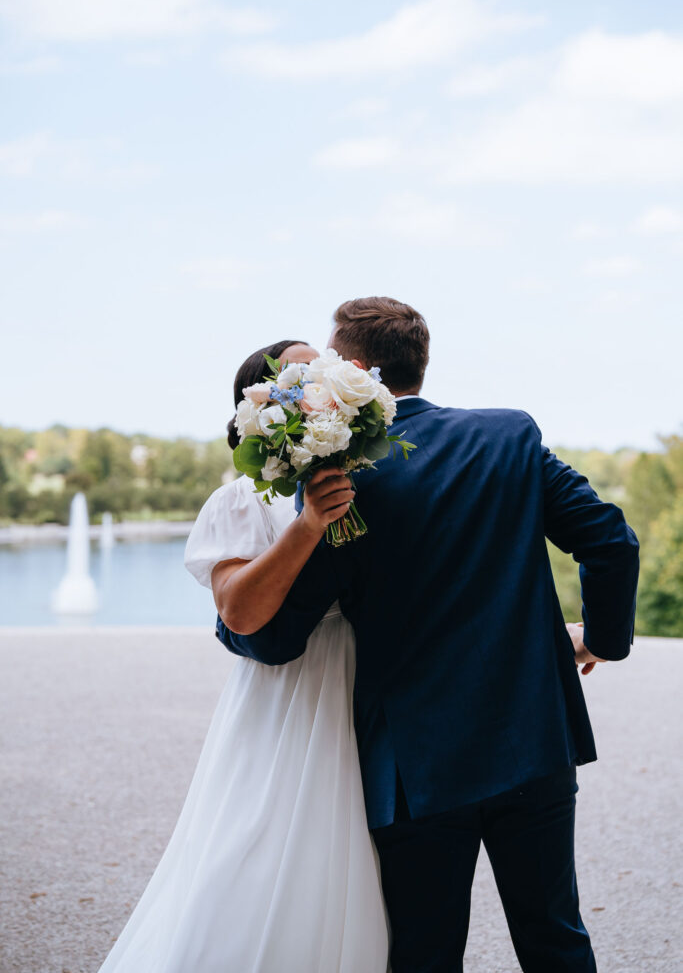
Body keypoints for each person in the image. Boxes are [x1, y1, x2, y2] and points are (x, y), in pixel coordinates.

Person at [217, 297, 640, 973]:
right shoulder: (509, 436)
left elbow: (276, 638)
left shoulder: (341, 480)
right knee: (555, 937)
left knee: (423, 952)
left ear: (355, 370)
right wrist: (601, 640)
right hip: (532, 737)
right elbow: (610, 543)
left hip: (414, 767)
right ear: (419, 362)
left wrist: (233, 628)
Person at [95, 339, 389, 973]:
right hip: (289, 694)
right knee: (262, 847)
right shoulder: (240, 502)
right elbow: (240, 611)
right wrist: (309, 524)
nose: (319, 379)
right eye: (302, 373)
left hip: (371, 683)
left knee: (369, 855)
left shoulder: (368, 488)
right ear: (267, 406)